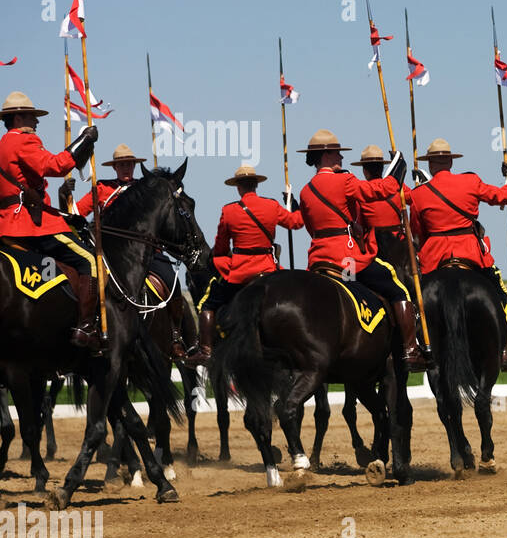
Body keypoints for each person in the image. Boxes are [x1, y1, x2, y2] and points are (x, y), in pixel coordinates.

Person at [295, 129, 427, 370]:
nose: (341, 159)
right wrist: (399, 168)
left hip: (318, 260)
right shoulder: (344, 181)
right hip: (347, 261)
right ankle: (411, 350)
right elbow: (380, 190)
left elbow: (310, 227)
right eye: (337, 154)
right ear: (326, 155)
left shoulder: (305, 191)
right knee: (397, 288)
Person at [61, 144, 195, 359]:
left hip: (147, 253)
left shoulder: (146, 190)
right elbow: (76, 213)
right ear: (115, 168)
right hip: (109, 253)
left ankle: (176, 336)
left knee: (172, 281)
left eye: (129, 164)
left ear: (134, 166)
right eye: (121, 165)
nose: (126, 168)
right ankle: (90, 326)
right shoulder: (102, 188)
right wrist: (65, 195)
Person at [407, 138, 507, 372]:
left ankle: (417, 349)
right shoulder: (470, 182)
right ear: (450, 161)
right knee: (504, 299)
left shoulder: (418, 194)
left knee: (414, 305)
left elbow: (417, 234)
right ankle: (504, 351)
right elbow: (505, 197)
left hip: (434, 260)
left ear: (429, 164)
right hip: (472, 256)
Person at [0, 92, 101, 349]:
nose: (37, 122)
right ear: (19, 116)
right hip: (30, 225)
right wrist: (84, 140)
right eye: (33, 117)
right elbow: (55, 166)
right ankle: (86, 327)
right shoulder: (24, 141)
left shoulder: (2, 144)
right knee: (90, 260)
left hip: (6, 224)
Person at [187, 164, 304, 365]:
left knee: (208, 304)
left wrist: (224, 263)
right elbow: (296, 223)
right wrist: (292, 204)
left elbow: (221, 247)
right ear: (256, 185)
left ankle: (206, 351)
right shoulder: (272, 205)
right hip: (268, 269)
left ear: (238, 187)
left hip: (241, 273)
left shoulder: (229, 211)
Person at [352, 144, 413, 251]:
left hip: (374, 246)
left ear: (364, 171)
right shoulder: (398, 186)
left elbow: (360, 227)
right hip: (399, 243)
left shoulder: (362, 192)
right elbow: (414, 200)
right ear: (382, 167)